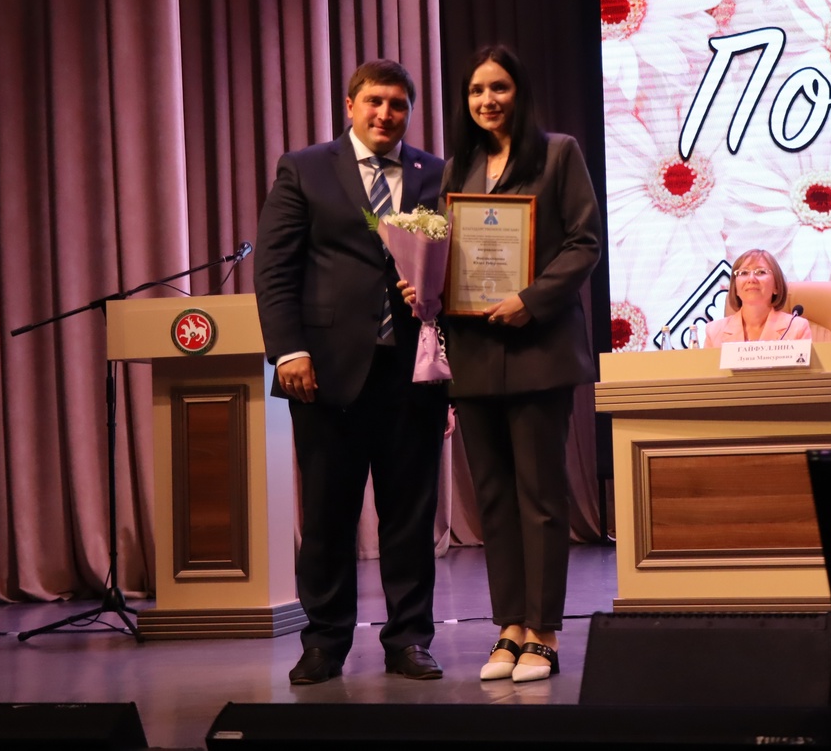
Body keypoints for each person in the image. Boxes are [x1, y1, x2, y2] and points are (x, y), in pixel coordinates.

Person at [404, 44, 601, 683]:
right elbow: (442, 253)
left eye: (499, 87)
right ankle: (508, 627)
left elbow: (584, 243)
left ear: (520, 92)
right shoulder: (456, 168)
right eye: (476, 90)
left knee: (539, 495)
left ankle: (543, 631)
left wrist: (531, 299)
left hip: (538, 347)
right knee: (492, 498)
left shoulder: (559, 154)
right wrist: (420, 284)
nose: (487, 100)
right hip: (476, 351)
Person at [254, 59, 450, 685]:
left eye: (398, 104)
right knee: (328, 518)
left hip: (412, 374)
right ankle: (325, 643)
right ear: (350, 105)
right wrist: (289, 351)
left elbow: (456, 271)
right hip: (326, 373)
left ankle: (409, 641)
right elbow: (275, 269)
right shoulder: (305, 169)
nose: (385, 114)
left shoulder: (436, 175)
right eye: (374, 101)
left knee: (411, 519)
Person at [703, 249, 811, 347]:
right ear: (735, 288)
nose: (751, 279)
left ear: (776, 286)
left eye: (761, 272)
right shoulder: (714, 332)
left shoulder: (797, 328)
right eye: (744, 273)